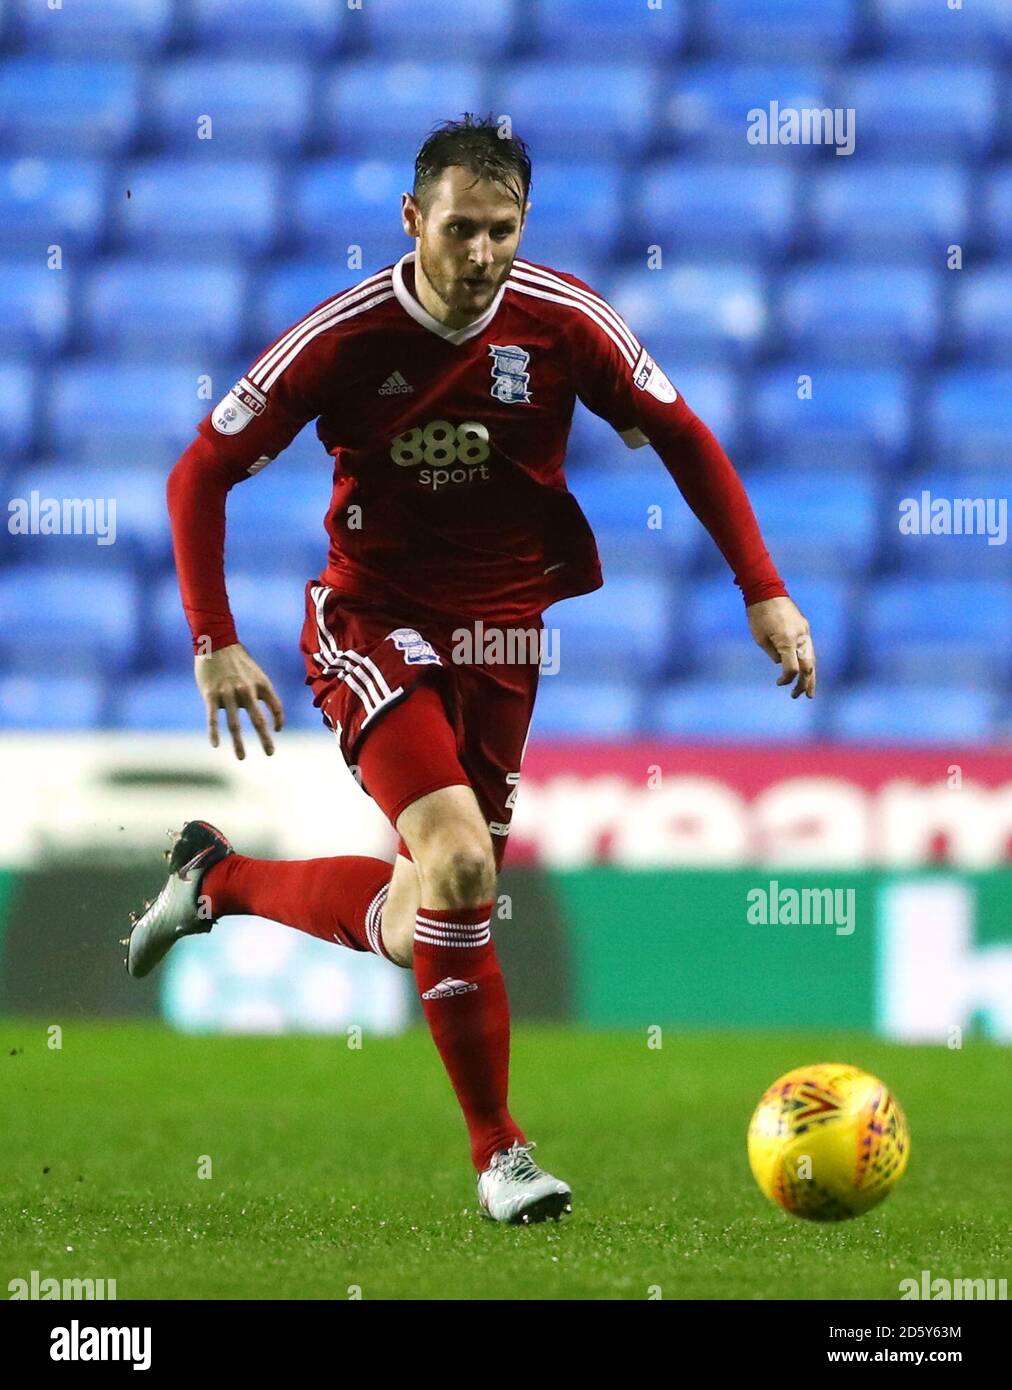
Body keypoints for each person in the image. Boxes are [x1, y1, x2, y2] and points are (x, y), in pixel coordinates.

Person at [126, 114, 816, 1225]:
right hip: (370, 617)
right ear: (411, 220)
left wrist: (763, 587)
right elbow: (200, 468)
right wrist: (213, 638)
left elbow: (684, 434)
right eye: (459, 228)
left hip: (504, 640)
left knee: (434, 909)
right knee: (451, 855)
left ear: (523, 224)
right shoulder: (344, 337)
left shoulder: (563, 321)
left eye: (500, 230)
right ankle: (500, 1154)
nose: (480, 253)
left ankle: (219, 879)